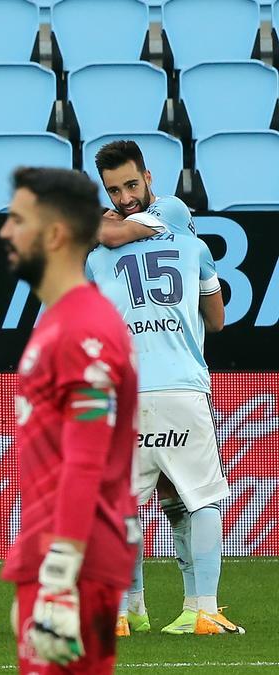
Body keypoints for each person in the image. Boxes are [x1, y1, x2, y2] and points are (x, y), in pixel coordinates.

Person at [89, 141, 238, 636]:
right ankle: (203, 609)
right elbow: (216, 320)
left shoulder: (97, 259)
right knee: (202, 500)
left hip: (125, 395)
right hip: (180, 390)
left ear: (148, 178)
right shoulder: (193, 245)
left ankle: (125, 611)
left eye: (131, 185)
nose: (126, 196)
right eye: (115, 189)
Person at [0, 166, 139, 674]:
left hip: (74, 561)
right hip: (55, 552)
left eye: (17, 220)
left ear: (54, 234)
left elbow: (86, 460)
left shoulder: (83, 328)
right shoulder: (60, 319)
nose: (4, 232)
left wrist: (59, 574)